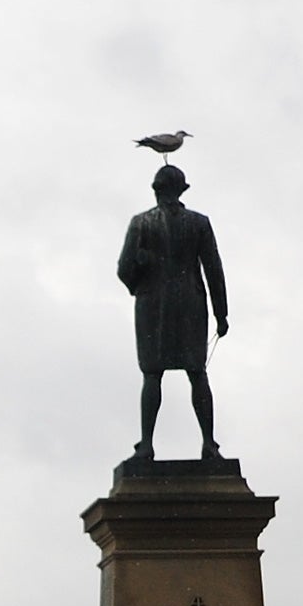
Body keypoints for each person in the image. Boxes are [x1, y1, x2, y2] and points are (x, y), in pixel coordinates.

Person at [118, 164, 229, 460]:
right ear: (181, 191)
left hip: (153, 304)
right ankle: (209, 443)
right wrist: (221, 312)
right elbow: (213, 270)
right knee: (197, 373)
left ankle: (147, 445)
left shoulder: (141, 223)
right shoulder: (199, 223)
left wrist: (140, 273)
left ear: (156, 190)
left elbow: (124, 270)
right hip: (190, 303)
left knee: (152, 375)